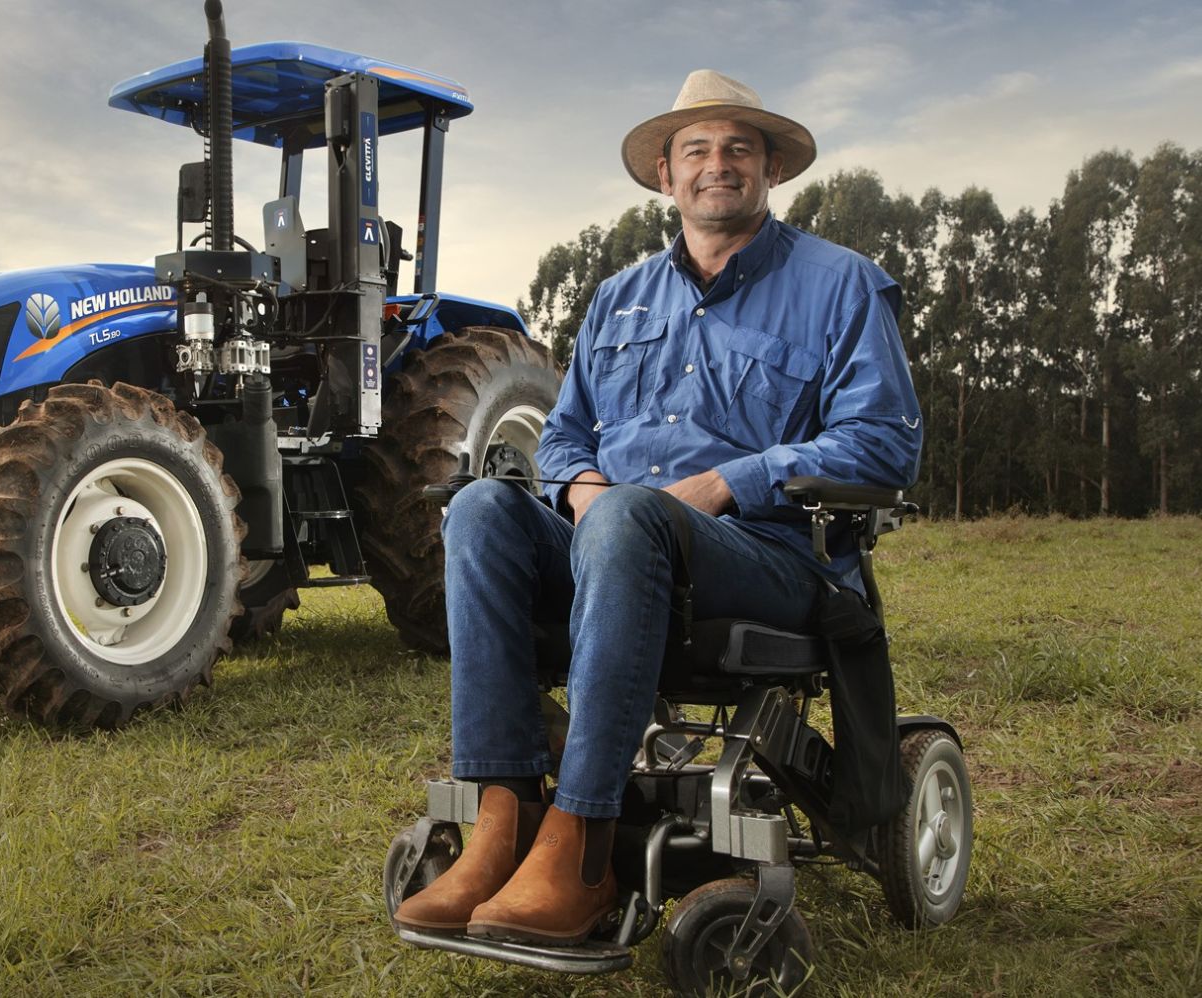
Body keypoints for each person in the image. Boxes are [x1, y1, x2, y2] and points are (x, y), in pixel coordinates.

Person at [390, 70, 923, 945]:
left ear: (770, 169)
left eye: (739, 149)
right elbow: (563, 438)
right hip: (614, 546)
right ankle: (503, 822)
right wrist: (581, 486)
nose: (719, 165)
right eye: (697, 151)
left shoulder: (843, 286)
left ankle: (583, 852)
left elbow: (884, 444)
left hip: (765, 559)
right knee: (484, 505)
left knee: (632, 515)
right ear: (665, 177)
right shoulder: (617, 299)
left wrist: (729, 481)